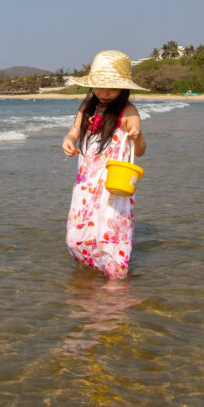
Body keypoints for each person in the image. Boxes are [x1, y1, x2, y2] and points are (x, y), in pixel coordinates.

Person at [61, 50, 147, 279]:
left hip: (113, 184)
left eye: (111, 87)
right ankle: (89, 271)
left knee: (111, 228)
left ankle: (115, 282)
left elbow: (140, 150)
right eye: (99, 86)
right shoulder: (87, 108)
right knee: (79, 232)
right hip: (86, 184)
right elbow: (73, 132)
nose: (104, 93)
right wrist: (68, 141)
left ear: (123, 88)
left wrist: (136, 134)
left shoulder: (127, 111)